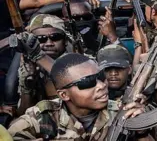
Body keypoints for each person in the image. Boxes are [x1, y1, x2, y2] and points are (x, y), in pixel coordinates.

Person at [8, 53, 148, 140]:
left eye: (100, 76)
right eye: (88, 82)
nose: (101, 85)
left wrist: (142, 132)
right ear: (64, 95)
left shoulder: (122, 112)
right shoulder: (41, 116)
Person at [17, 14, 71, 115]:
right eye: (41, 39)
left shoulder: (78, 61)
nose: (49, 43)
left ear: (65, 41)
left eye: (55, 37)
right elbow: (22, 114)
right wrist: (27, 87)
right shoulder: (30, 66)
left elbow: (71, 78)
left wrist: (39, 56)